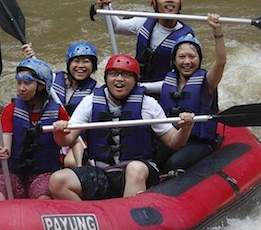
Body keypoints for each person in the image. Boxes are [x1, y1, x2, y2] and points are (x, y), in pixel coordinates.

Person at [49, 54, 194, 201]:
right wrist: (60, 133)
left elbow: (173, 141)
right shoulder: (90, 102)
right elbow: (67, 140)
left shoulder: (148, 104)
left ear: (136, 79)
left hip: (139, 171)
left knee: (135, 169)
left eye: (126, 75)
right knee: (58, 181)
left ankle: (128, 212)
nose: (119, 79)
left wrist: (185, 129)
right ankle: (91, 214)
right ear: (106, 78)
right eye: (113, 74)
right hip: (101, 172)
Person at [0, 57, 70, 201]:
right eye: (19, 82)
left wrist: (61, 131)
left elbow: (65, 143)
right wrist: (3, 151)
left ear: (42, 86)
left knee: (43, 197)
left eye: (27, 83)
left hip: (44, 173)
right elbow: (6, 142)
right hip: (14, 173)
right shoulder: (10, 110)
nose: (21, 88)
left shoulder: (58, 113)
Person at [153, 13, 226, 173]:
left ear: (199, 59)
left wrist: (217, 31)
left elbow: (221, 62)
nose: (187, 61)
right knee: (151, 157)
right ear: (174, 60)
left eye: (192, 57)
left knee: (174, 164)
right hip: (173, 137)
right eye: (182, 57)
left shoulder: (208, 82)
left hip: (198, 142)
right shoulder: (168, 82)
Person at [95, 0, 195, 83]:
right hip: (139, 83)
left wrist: (143, 88)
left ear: (180, 2)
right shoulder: (144, 21)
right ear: (155, 2)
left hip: (167, 88)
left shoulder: (186, 38)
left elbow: (183, 78)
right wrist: (107, 7)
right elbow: (116, 27)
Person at [22, 41, 99, 167]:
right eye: (76, 61)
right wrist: (30, 56)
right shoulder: (52, 80)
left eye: (86, 61)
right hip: (53, 132)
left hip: (78, 138)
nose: (80, 66)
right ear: (69, 64)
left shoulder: (97, 91)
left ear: (93, 66)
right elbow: (37, 73)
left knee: (71, 161)